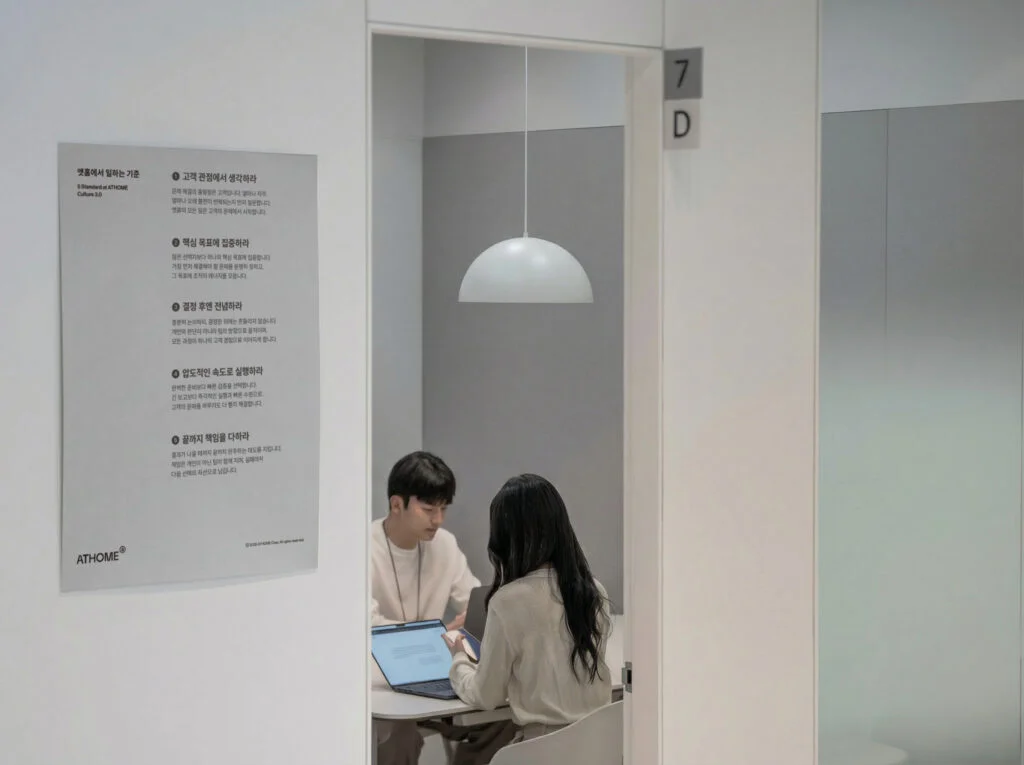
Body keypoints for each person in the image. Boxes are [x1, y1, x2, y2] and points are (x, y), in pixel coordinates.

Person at [443, 473, 612, 764]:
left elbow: (486, 696)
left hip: (540, 753)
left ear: (505, 538)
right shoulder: (594, 592)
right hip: (598, 751)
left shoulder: (508, 601)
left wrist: (459, 659)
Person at [373, 450, 481, 765]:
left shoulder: (444, 544)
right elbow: (369, 628)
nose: (438, 520)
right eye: (429, 509)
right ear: (397, 504)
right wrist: (440, 633)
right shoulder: (363, 548)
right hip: (383, 678)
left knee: (502, 714)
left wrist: (475, 618)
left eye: (443, 508)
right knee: (398, 733)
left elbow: (474, 601)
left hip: (439, 670)